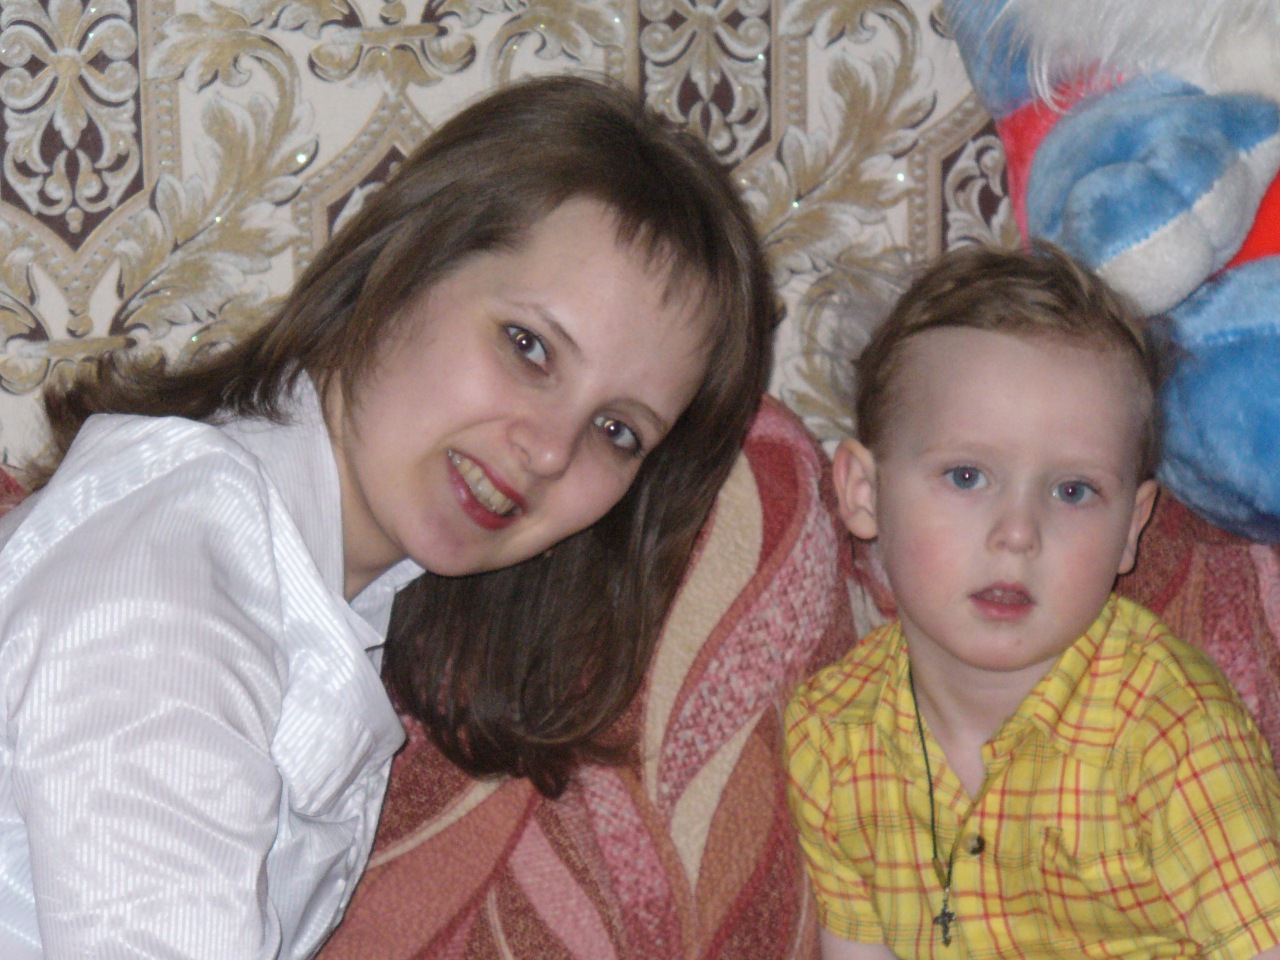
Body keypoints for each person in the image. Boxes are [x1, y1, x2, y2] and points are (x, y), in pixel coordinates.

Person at [0, 75, 776, 959]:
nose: (551, 452)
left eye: (617, 431)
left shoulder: (323, 584)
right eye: (529, 347)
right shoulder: (174, 568)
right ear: (405, 263)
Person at [785, 243, 1280, 959]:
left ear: (1130, 529)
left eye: (1072, 491)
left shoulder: (1171, 732)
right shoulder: (832, 735)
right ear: (864, 492)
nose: (1018, 534)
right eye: (966, 476)